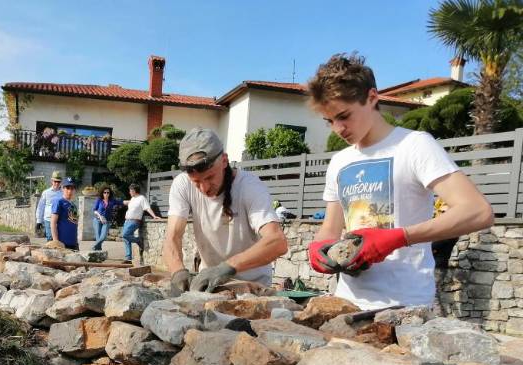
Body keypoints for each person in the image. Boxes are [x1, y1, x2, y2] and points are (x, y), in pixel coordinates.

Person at [306, 53, 494, 310]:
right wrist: (319, 247)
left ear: (372, 98)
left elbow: (477, 211)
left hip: (405, 307)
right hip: (347, 302)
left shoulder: (414, 145)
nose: (338, 129)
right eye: (329, 121)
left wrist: (399, 237)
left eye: (344, 116)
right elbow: (330, 228)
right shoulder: (339, 161)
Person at [162, 128, 288, 292]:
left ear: (224, 160)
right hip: (208, 286)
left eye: (210, 177)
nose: (204, 188)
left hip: (253, 288)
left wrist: (228, 267)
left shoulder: (249, 187)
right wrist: (177, 272)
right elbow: (172, 236)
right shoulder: (182, 184)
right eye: (196, 181)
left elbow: (277, 242)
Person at [122, 183, 161, 264]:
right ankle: (128, 258)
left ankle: (139, 240)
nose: (129, 192)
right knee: (126, 239)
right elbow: (127, 203)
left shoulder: (142, 198)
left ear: (134, 190)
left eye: (130, 190)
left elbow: (147, 208)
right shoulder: (133, 199)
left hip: (134, 221)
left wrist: (154, 216)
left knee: (125, 235)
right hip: (127, 221)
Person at [50, 177, 79, 250]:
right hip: (62, 243)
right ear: (63, 188)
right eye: (67, 188)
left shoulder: (74, 205)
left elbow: (74, 223)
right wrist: (55, 241)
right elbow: (53, 223)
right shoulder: (58, 202)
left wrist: (76, 241)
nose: (70, 191)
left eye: (72, 188)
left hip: (73, 243)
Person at [91, 186, 123, 251]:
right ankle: (98, 251)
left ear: (109, 193)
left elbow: (121, 202)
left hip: (107, 221)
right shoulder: (99, 200)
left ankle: (94, 246)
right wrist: (100, 216)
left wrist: (133, 201)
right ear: (102, 193)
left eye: (108, 192)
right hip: (97, 220)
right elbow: (94, 210)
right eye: (104, 192)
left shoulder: (112, 200)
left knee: (103, 237)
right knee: (98, 237)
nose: (106, 194)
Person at [36, 171, 63, 241]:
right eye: (55, 181)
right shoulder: (46, 192)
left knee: (60, 240)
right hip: (48, 219)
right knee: (50, 239)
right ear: (52, 181)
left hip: (61, 220)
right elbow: (40, 207)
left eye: (58, 182)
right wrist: (39, 221)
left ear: (61, 182)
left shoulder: (63, 193)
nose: (57, 183)